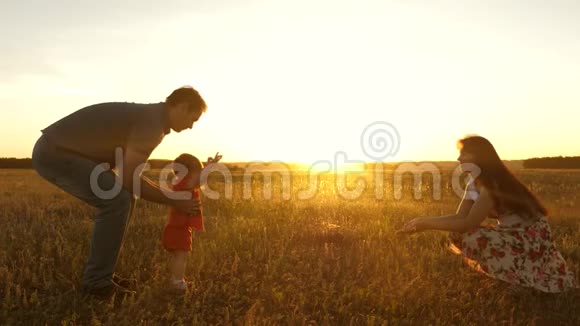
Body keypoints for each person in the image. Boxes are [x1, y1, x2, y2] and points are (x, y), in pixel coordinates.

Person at [31, 86, 207, 299]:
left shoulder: (152, 119)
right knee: (117, 199)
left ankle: (102, 276)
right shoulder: (152, 125)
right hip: (55, 152)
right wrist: (175, 200)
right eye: (193, 119)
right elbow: (129, 179)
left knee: (123, 197)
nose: (191, 126)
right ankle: (96, 283)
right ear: (182, 106)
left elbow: (128, 177)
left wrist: (174, 198)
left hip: (62, 151)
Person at [398, 135, 577, 293]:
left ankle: (519, 280)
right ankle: (516, 277)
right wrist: (421, 221)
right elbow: (460, 216)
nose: (459, 158)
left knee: (472, 236)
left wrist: (426, 224)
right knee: (459, 233)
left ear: (478, 157)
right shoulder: (474, 183)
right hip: (511, 233)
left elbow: (468, 224)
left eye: (464, 153)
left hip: (530, 238)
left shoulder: (493, 185)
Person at [161, 153, 219, 293]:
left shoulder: (180, 182)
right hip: (179, 228)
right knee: (181, 256)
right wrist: (210, 166)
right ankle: (177, 282)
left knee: (178, 256)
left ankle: (176, 279)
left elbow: (198, 180)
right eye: (197, 170)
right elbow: (198, 180)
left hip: (177, 227)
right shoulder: (183, 183)